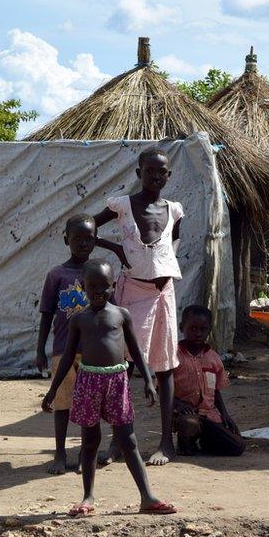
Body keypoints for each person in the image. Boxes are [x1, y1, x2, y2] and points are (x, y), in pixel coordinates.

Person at [41, 259, 177, 517]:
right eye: (92, 286)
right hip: (89, 382)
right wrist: (53, 390)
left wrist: (148, 379)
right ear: (83, 286)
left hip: (117, 380)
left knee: (128, 440)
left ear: (113, 285)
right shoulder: (79, 320)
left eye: (104, 286)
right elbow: (68, 357)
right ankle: (88, 497)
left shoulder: (121, 315)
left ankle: (147, 497)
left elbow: (135, 350)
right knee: (90, 440)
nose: (98, 291)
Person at [94, 147, 183, 466]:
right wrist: (118, 251)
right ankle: (119, 442)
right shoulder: (123, 205)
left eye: (162, 172)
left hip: (164, 294)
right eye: (150, 171)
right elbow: (87, 228)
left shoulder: (173, 210)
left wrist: (162, 259)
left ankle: (166, 443)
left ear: (169, 175)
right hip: (132, 292)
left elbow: (174, 241)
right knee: (125, 366)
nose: (156, 176)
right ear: (139, 173)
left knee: (165, 366)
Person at [36, 215, 95, 474]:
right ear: (66, 240)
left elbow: (110, 312)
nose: (83, 243)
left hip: (93, 351)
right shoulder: (56, 275)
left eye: (89, 238)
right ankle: (60, 453)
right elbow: (47, 313)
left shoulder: (99, 272)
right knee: (62, 403)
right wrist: (40, 350)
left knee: (89, 406)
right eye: (77, 238)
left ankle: (84, 453)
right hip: (62, 350)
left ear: (96, 240)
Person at [173, 305, 245, 457]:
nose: (198, 333)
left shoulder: (213, 358)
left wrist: (225, 414)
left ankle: (205, 441)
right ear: (181, 328)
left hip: (209, 415)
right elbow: (161, 388)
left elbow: (215, 390)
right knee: (188, 424)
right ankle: (185, 442)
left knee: (238, 446)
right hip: (184, 415)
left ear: (209, 330)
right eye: (193, 328)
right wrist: (178, 404)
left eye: (203, 329)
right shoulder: (173, 356)